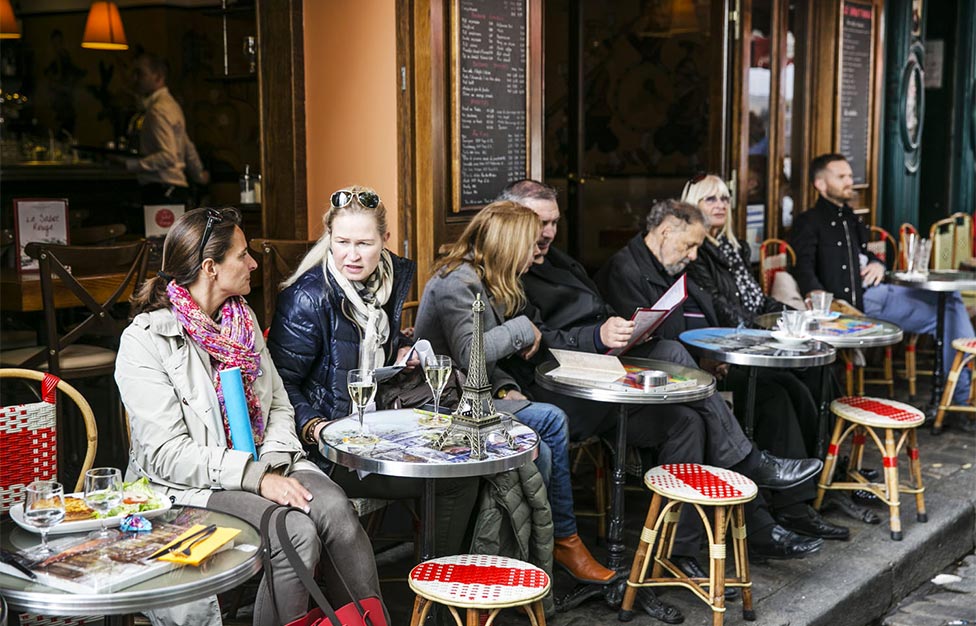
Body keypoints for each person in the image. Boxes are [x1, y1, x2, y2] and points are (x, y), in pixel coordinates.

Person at [501, 181, 828, 570]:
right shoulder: (511, 271)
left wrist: (627, 329)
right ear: (510, 219)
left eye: (554, 222)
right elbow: (534, 344)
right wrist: (599, 335)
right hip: (563, 389)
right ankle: (751, 471)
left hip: (603, 372)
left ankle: (680, 550)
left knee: (688, 421)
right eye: (541, 222)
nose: (549, 232)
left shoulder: (558, 259)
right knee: (676, 355)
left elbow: (599, 311)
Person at [116, 207, 386, 626]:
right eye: (243, 255)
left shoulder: (241, 321)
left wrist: (272, 462)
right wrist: (256, 477)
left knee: (336, 510)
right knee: (294, 533)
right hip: (192, 485)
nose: (254, 264)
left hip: (268, 461)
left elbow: (278, 404)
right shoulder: (146, 341)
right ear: (210, 268)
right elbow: (164, 454)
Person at [413, 201, 619, 586]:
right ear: (509, 245)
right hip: (441, 406)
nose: (535, 254)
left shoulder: (483, 278)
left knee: (545, 438)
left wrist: (505, 385)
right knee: (549, 422)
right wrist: (523, 328)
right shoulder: (457, 281)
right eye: (530, 245)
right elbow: (470, 353)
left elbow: (483, 366)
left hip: (472, 399)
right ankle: (552, 545)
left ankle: (542, 549)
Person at [267, 186, 478, 558]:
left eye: (364, 244)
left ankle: (446, 572)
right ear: (329, 238)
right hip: (328, 450)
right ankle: (435, 583)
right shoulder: (307, 298)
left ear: (385, 240)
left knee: (467, 455)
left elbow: (364, 347)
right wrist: (315, 427)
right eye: (342, 242)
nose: (352, 255)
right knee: (456, 479)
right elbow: (279, 384)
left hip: (379, 426)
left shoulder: (386, 281)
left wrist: (399, 352)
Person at [680, 175, 848, 539]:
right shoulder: (695, 253)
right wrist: (769, 332)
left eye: (725, 198)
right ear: (691, 204)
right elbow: (720, 308)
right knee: (782, 393)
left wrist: (795, 318)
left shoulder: (733, 248)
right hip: (723, 356)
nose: (720, 205)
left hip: (752, 345)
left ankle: (829, 475)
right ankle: (793, 505)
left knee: (821, 372)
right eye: (710, 199)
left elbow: (757, 300)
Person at [790, 153, 973, 405]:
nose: (849, 181)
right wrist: (815, 293)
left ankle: (960, 390)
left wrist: (877, 263)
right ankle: (960, 395)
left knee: (949, 296)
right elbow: (802, 266)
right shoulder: (809, 222)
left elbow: (864, 254)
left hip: (881, 290)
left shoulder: (850, 217)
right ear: (820, 184)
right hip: (860, 304)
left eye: (849, 176)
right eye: (841, 177)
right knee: (946, 312)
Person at [126, 51, 209, 206]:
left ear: (158, 76)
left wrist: (131, 165)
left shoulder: (158, 109)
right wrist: (198, 173)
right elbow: (186, 144)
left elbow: (168, 156)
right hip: (174, 188)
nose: (136, 79)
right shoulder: (171, 105)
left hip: (162, 188)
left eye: (141, 73)